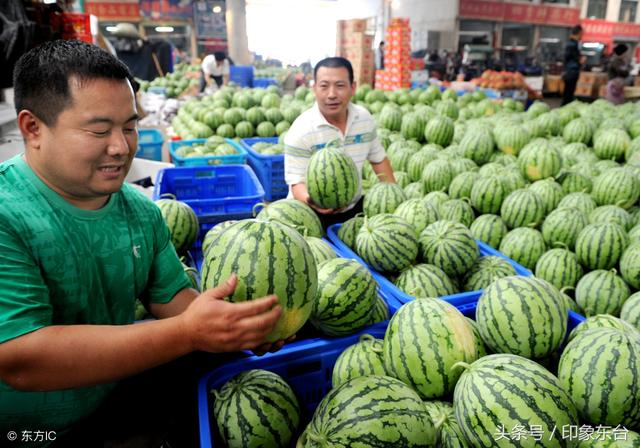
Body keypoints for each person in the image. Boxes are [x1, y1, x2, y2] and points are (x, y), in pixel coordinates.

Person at [0, 40, 286, 447]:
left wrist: (238, 327)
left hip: (114, 400)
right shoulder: (7, 213)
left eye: (130, 126)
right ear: (33, 129)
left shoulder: (139, 210)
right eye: (100, 130)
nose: (121, 146)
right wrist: (188, 333)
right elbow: (21, 358)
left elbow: (171, 295)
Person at [284, 57, 395, 230]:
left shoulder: (364, 119)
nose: (332, 94)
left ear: (353, 87)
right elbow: (296, 182)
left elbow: (378, 159)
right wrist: (314, 203)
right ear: (314, 89)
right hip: (309, 212)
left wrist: (393, 197)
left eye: (340, 85)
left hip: (353, 209)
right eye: (324, 86)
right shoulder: (301, 130)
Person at [562, 25, 583, 105]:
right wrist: (580, 60)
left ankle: (564, 108)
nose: (582, 36)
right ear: (579, 33)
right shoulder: (572, 44)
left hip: (570, 72)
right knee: (568, 95)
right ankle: (564, 108)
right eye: (582, 34)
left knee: (568, 94)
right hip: (571, 72)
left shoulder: (572, 43)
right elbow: (573, 59)